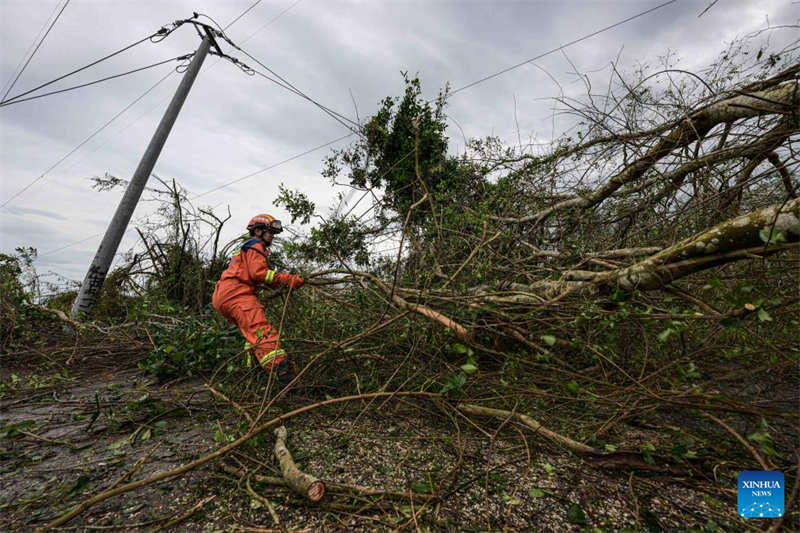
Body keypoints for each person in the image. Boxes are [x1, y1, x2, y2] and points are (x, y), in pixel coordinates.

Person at [212, 213, 304, 388]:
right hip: (237, 294)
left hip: (223, 295)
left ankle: (256, 374)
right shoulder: (255, 245)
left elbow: (257, 275)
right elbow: (259, 274)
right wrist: (288, 279)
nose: (272, 236)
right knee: (263, 332)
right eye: (270, 232)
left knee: (251, 334)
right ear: (258, 231)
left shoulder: (248, 248)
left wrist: (281, 283)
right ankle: (287, 379)